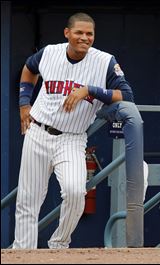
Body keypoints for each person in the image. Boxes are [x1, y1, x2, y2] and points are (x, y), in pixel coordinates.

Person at [13, 12, 140, 249]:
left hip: (72, 138)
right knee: (28, 201)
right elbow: (29, 69)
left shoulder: (104, 61)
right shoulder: (50, 52)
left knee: (74, 192)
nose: (84, 38)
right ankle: (24, 252)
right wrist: (24, 104)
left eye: (89, 33)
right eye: (79, 32)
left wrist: (89, 90)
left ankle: (59, 245)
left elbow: (127, 95)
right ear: (67, 33)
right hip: (38, 131)